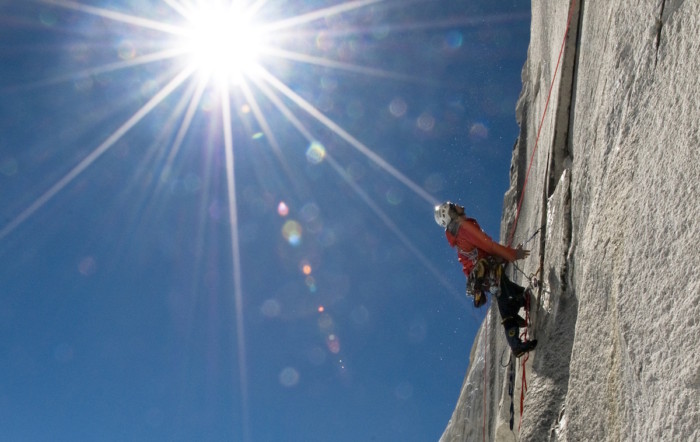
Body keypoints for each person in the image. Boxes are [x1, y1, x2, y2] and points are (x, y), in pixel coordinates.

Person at [434, 201, 537, 357]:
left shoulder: (459, 237)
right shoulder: (464, 230)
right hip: (487, 272)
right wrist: (513, 254)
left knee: (510, 293)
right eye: (454, 205)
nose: (459, 205)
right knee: (505, 300)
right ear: (451, 213)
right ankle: (515, 343)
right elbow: (489, 247)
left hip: (484, 274)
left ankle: (523, 301)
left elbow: (479, 256)